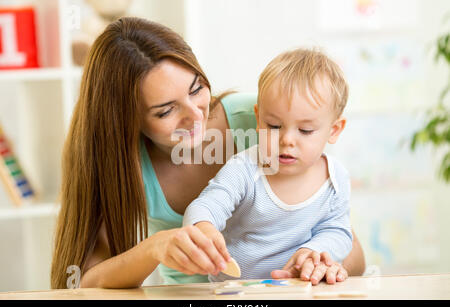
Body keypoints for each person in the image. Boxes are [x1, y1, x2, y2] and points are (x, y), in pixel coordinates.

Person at [50, 17, 365, 289]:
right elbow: (83, 282)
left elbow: (348, 247)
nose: (195, 116)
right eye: (165, 111)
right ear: (128, 121)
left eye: (196, 89)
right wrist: (155, 248)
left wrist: (321, 264)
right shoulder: (121, 164)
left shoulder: (274, 121)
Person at [183, 48, 353, 284]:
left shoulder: (336, 178)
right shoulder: (244, 169)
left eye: (305, 130)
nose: (287, 140)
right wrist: (206, 230)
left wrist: (313, 253)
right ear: (258, 119)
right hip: (235, 292)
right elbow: (205, 207)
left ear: (333, 130)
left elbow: (338, 232)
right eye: (274, 125)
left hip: (298, 289)